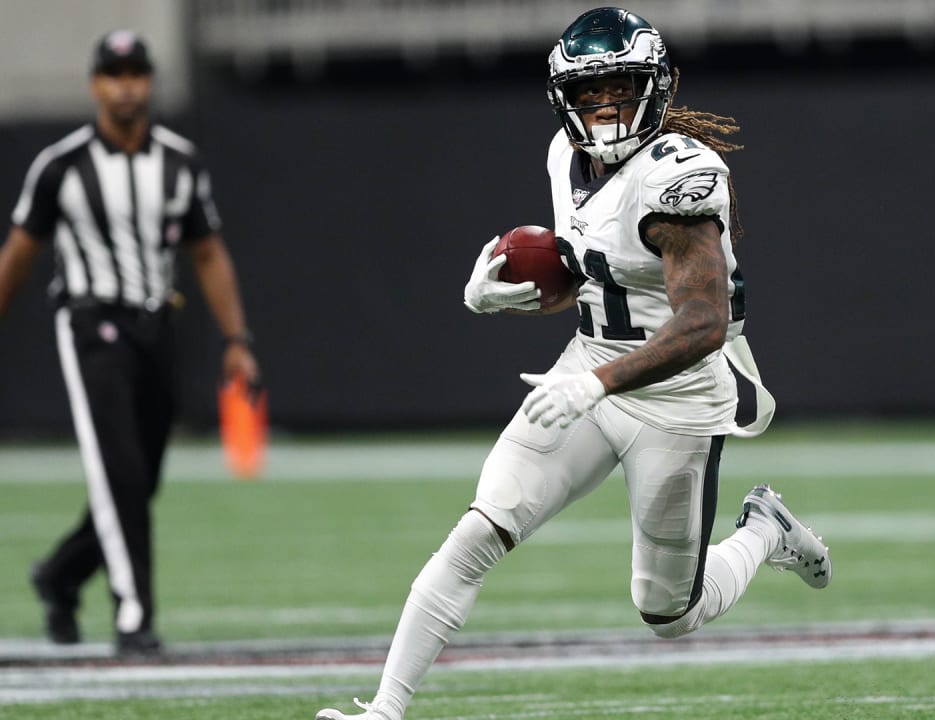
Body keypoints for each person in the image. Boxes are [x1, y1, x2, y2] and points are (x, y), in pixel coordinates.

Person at [316, 8, 829, 719]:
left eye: (619, 88)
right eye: (589, 94)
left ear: (657, 86)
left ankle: (765, 529)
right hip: (590, 369)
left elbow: (703, 321)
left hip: (676, 398)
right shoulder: (565, 155)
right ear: (566, 101)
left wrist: (595, 383)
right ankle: (383, 711)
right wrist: (503, 300)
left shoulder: (680, 179)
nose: (606, 107)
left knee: (668, 615)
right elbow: (601, 282)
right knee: (479, 530)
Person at [0, 30, 260, 656]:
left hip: (155, 324)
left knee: (140, 479)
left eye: (136, 73)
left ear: (149, 82)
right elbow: (18, 255)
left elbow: (208, 252)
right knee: (119, 470)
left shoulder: (179, 161)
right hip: (91, 325)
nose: (126, 85)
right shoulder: (60, 165)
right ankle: (133, 615)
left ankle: (61, 574)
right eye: (114, 74)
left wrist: (236, 339)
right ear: (95, 85)